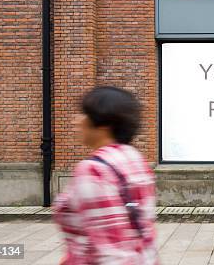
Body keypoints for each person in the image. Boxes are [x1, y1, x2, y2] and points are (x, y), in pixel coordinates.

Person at [53, 86, 158, 264]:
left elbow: (112, 252)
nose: (76, 121)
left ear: (103, 125)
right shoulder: (133, 158)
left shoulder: (93, 171)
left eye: (83, 114)